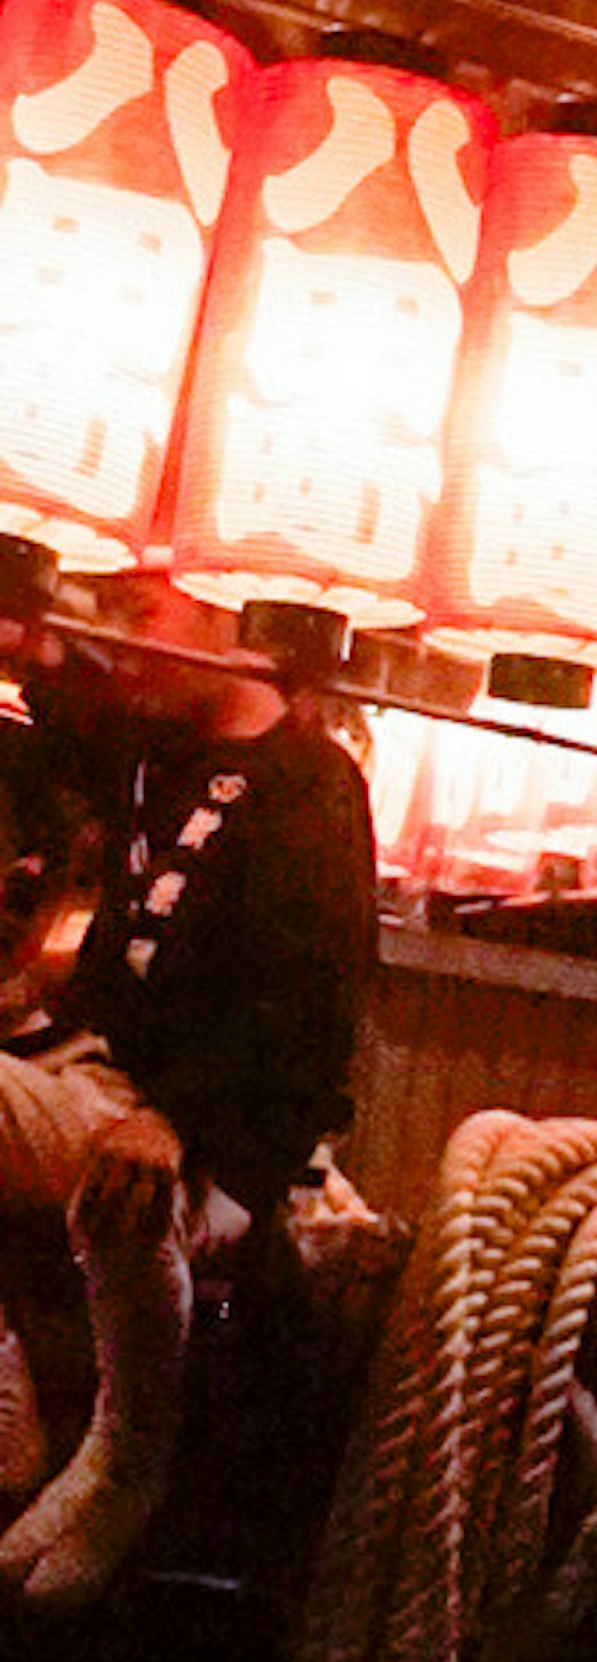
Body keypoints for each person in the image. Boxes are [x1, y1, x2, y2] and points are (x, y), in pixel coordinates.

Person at [0, 586, 378, 1607]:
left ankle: (121, 1450)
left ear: (234, 627)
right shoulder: (151, 753)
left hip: (191, 1128)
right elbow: (65, 712)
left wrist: (183, 1117)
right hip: (94, 1076)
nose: (132, 640)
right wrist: (35, 637)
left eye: (151, 615)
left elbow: (306, 1006)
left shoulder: (310, 781)